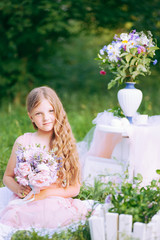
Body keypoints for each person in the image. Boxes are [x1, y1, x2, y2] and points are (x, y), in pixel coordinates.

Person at [0, 86, 88, 230]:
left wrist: (47, 193)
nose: (46, 118)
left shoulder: (65, 143)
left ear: (57, 111)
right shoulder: (23, 142)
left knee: (50, 218)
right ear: (31, 116)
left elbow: (75, 188)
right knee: (17, 218)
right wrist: (18, 188)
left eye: (51, 111)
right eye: (39, 113)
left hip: (54, 199)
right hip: (28, 200)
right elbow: (7, 177)